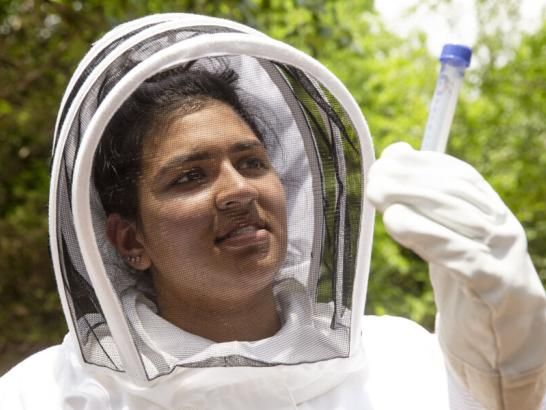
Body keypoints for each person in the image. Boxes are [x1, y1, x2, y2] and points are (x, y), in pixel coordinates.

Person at [1, 13, 545, 410]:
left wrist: (511, 383)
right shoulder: (45, 397)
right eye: (190, 175)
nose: (238, 190)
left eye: (252, 161)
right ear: (128, 241)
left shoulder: (407, 364)